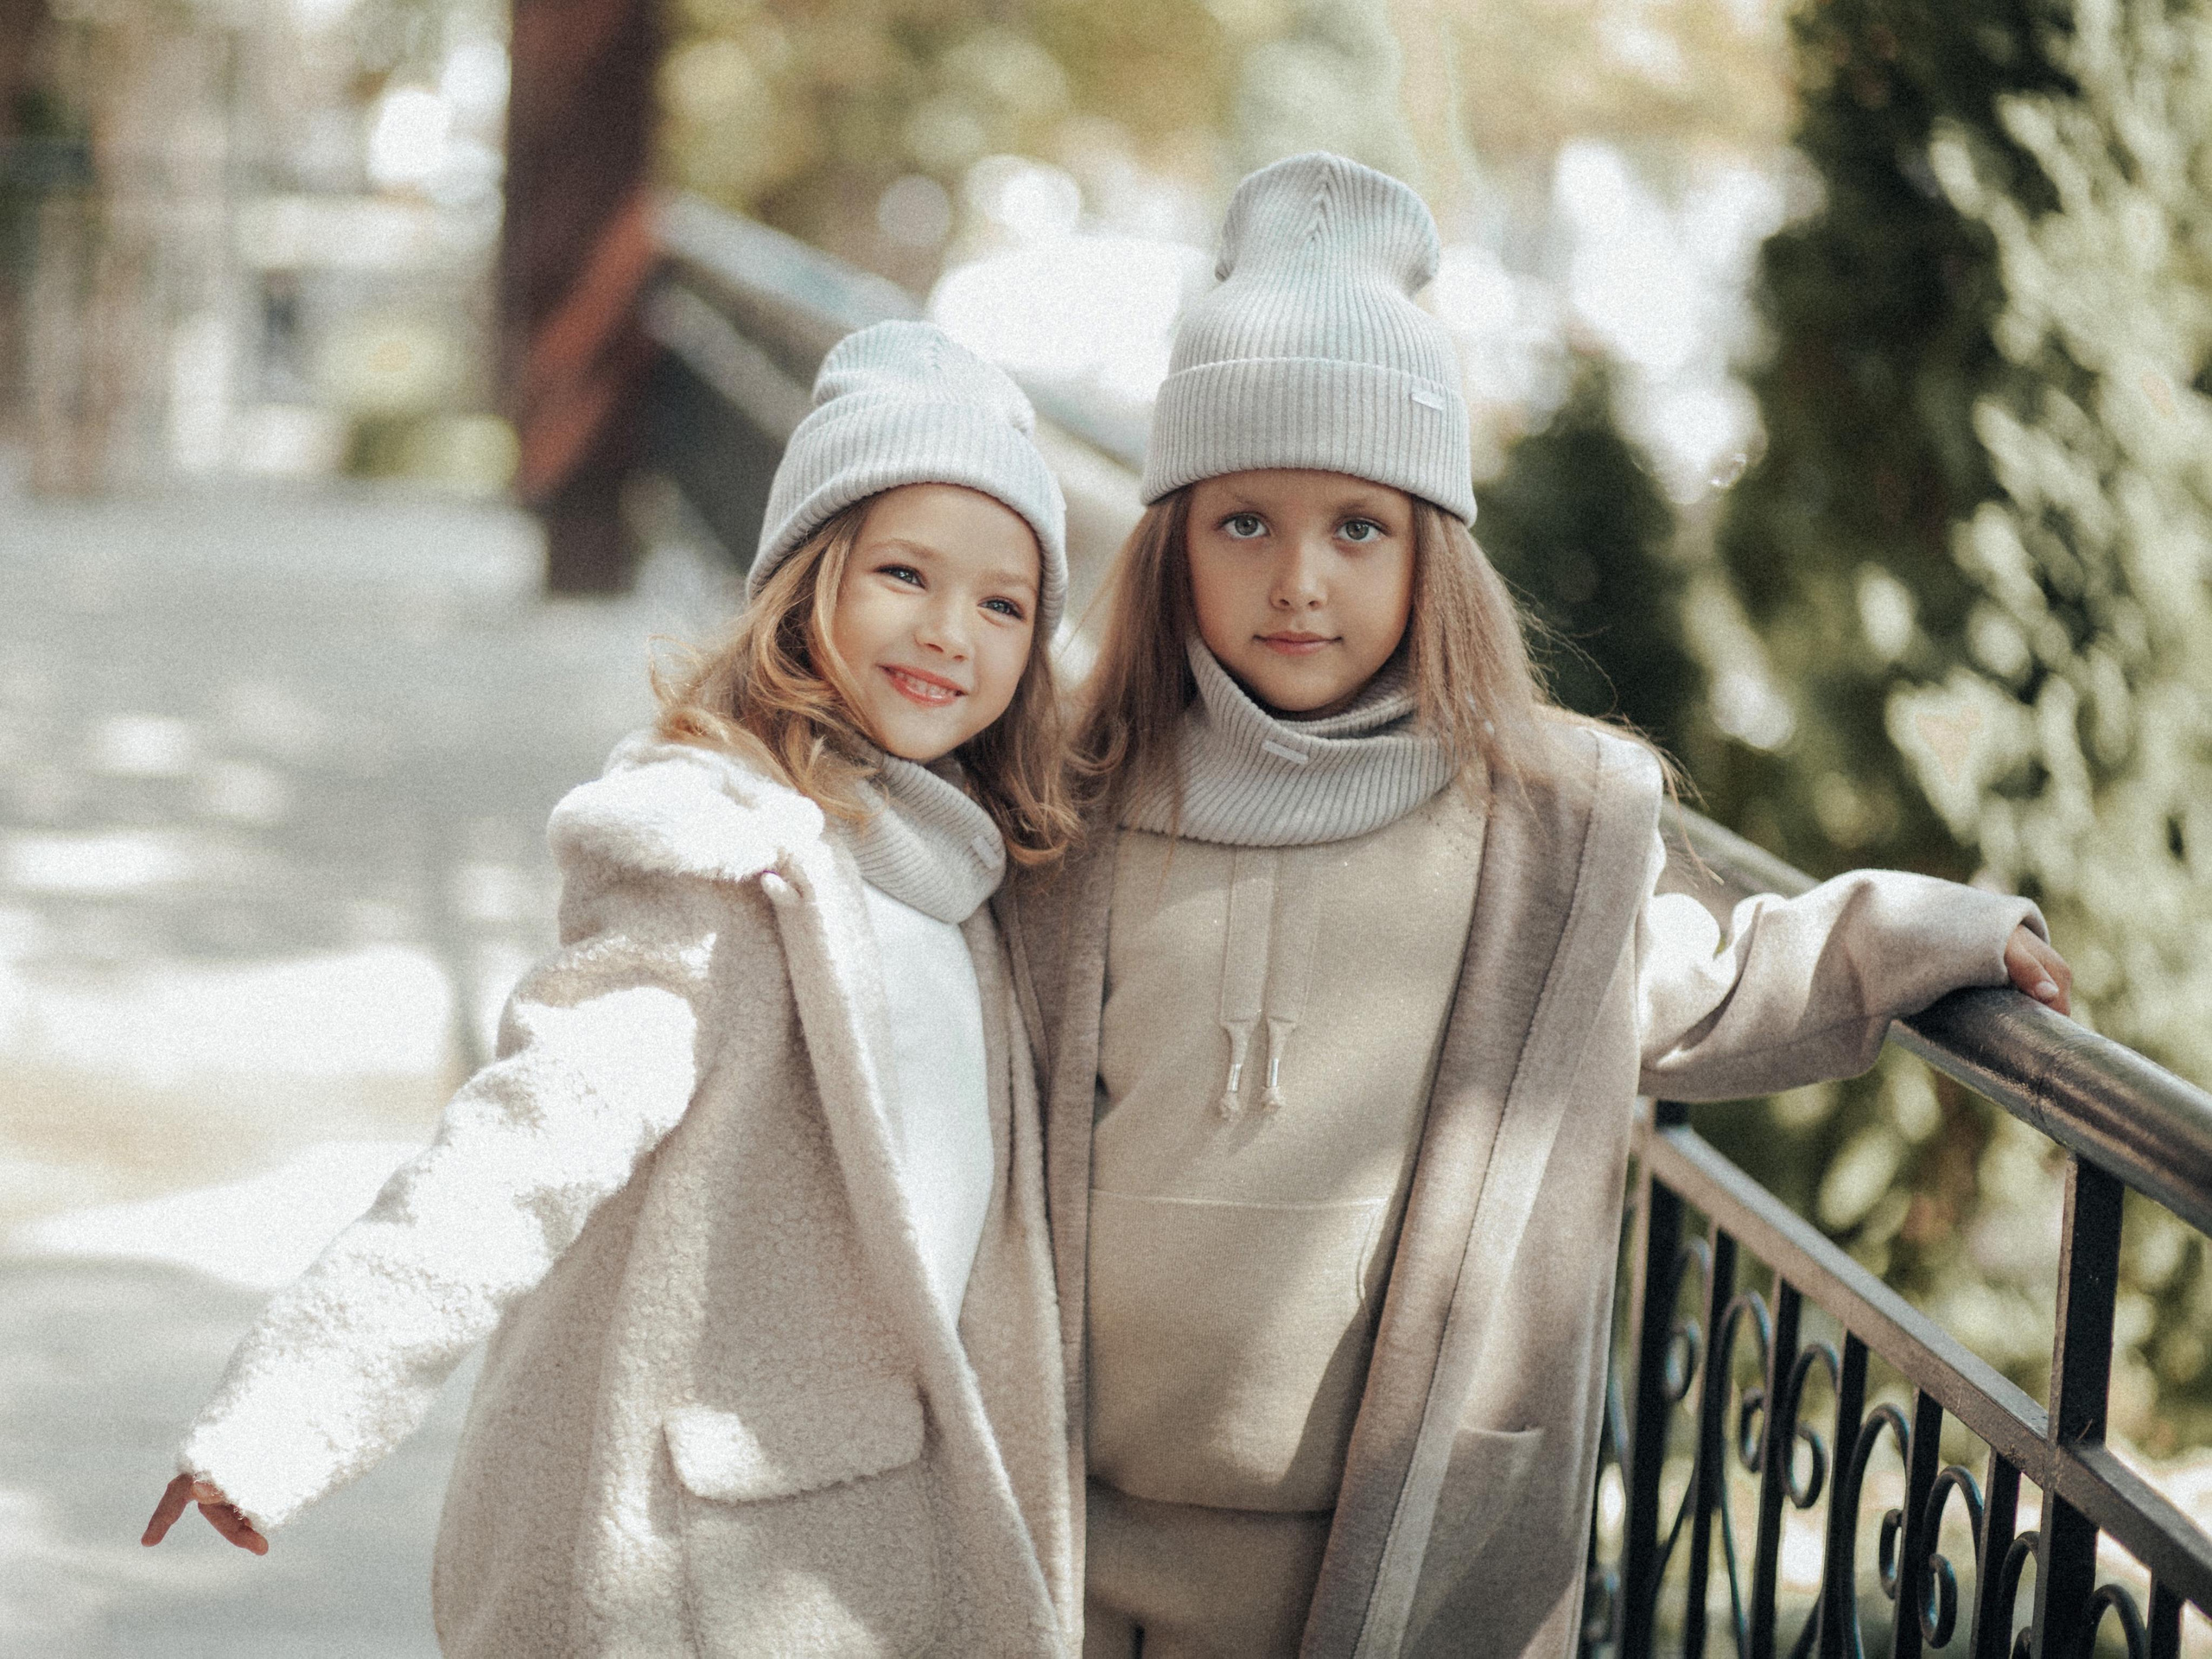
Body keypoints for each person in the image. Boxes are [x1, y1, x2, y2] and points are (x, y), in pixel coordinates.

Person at [995, 153, 2075, 1659]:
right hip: (1084, 1539)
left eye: (1357, 528)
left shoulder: (1527, 833)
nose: (1299, 580)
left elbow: (1701, 979)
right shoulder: (1078, 798)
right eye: (1244, 522)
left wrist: (1923, 938)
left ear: (1433, 554)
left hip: (1386, 1557)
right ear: (1172, 538)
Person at [143, 321, 1085, 1657]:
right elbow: (523, 1141)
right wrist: (295, 1407)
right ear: (807, 583)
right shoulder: (720, 857)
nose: (950, 630)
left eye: (1004, 604)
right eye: (904, 573)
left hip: (891, 1516)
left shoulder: (971, 870)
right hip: (724, 1544)